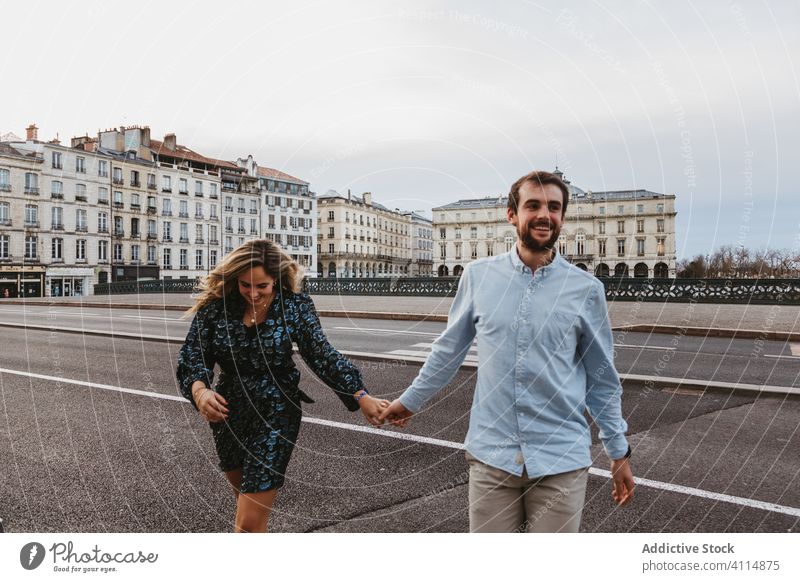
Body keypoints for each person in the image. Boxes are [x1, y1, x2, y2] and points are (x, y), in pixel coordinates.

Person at [380, 170, 635, 533]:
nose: (544, 215)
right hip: (492, 456)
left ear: (562, 217)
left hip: (560, 458)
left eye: (554, 207)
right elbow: (448, 351)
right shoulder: (478, 276)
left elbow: (601, 379)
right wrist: (409, 401)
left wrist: (617, 451)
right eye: (533, 205)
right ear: (512, 215)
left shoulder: (586, 289)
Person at [177, 239, 388, 532]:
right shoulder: (216, 309)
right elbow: (192, 355)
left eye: (261, 286)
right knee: (247, 509)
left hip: (277, 410)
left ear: (276, 279)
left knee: (248, 525)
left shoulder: (295, 306)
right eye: (245, 285)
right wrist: (200, 392)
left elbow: (321, 354)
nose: (252, 293)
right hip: (227, 413)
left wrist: (360, 393)